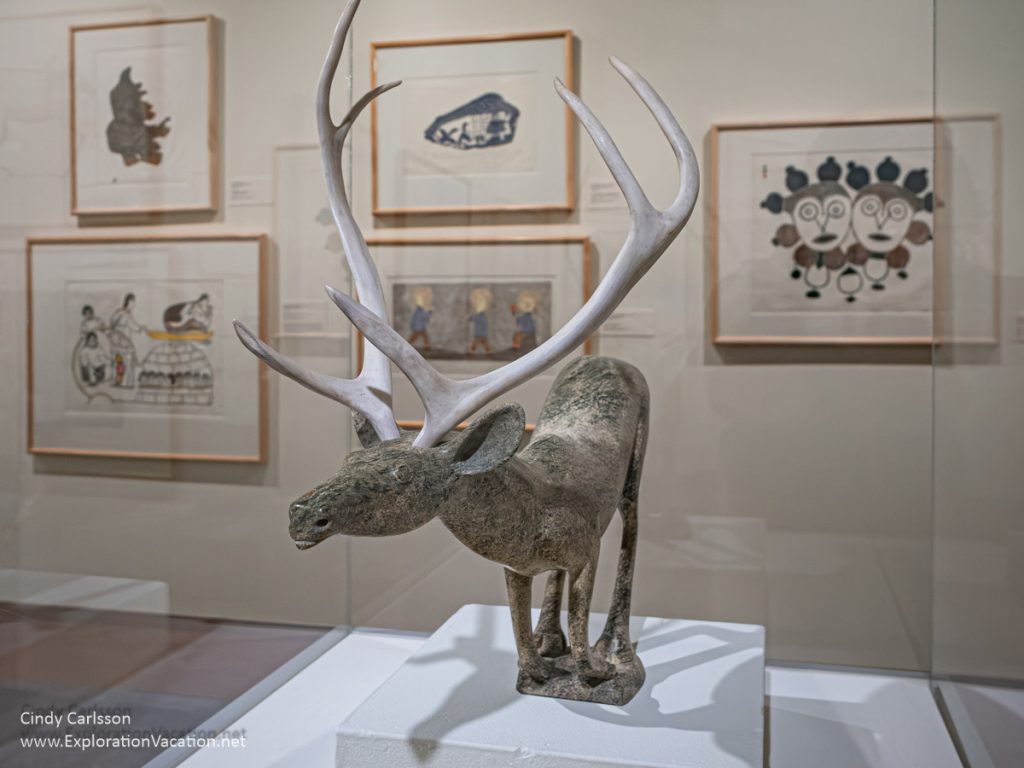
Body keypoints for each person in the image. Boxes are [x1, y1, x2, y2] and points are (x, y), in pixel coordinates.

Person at [109, 293, 145, 387]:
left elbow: (132, 325)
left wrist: (140, 328)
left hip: (122, 340)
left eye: (134, 303)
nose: (133, 305)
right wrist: (140, 328)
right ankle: (121, 382)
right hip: (119, 340)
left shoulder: (125, 313)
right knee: (121, 361)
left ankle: (123, 382)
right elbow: (130, 325)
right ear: (128, 302)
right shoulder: (122, 313)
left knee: (123, 361)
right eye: (132, 302)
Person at [467, 288, 493, 355]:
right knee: (481, 343)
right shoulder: (482, 316)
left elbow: (470, 318)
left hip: (479, 333)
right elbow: (471, 318)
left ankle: (473, 351)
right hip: (482, 333)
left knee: (480, 343)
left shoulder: (479, 316)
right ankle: (488, 351)